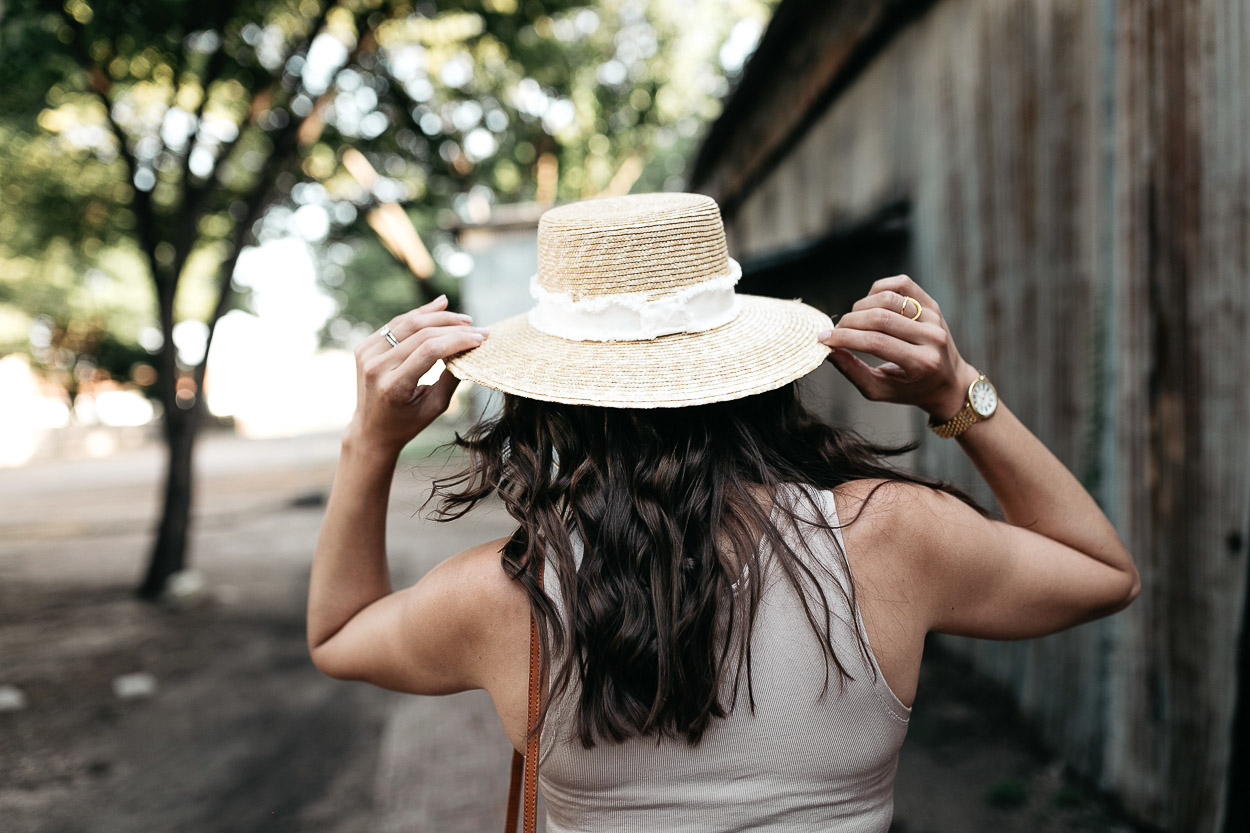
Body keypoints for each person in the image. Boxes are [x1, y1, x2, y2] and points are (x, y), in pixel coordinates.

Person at [306, 192, 1139, 832]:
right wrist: (960, 394)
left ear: (547, 400)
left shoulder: (501, 595)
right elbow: (1103, 573)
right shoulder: (891, 534)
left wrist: (368, 445)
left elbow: (339, 635)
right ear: (752, 370)